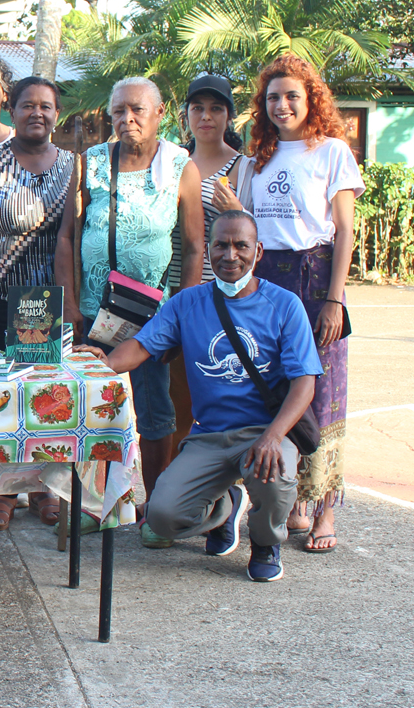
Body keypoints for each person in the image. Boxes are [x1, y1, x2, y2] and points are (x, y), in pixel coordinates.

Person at [83, 210, 322, 582]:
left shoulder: (285, 304)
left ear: (258, 251)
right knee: (162, 516)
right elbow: (143, 345)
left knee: (274, 479)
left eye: (241, 246)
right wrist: (107, 362)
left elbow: (304, 383)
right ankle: (224, 509)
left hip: (264, 431)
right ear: (209, 251)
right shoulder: (187, 302)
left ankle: (265, 543)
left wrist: (274, 437)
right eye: (221, 245)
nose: (230, 255)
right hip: (209, 435)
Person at [60, 76, 190, 549]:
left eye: (136, 109)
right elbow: (67, 236)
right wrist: (69, 302)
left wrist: (184, 315)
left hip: (154, 319)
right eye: (118, 111)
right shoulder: (90, 162)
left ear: (159, 114)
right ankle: (97, 507)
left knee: (155, 413)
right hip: (96, 314)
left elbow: (194, 247)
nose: (126, 118)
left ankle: (155, 509)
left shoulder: (180, 166)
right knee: (94, 410)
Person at [241, 55, 363, 553]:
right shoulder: (257, 158)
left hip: (315, 279)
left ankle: (325, 507)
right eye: (273, 97)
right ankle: (293, 499)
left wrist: (334, 299)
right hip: (268, 280)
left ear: (311, 99)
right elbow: (248, 225)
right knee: (276, 387)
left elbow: (345, 231)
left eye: (292, 95)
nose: (282, 105)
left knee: (323, 389)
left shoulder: (332, 151)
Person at [0, 76, 76, 532]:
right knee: (1, 400)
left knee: (47, 400)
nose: (36, 113)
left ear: (56, 114)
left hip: (50, 304)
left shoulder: (73, 166)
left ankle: (44, 488)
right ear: (13, 109)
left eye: (46, 106)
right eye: (28, 105)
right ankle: (4, 490)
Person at [166, 74, 246, 455]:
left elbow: (256, 239)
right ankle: (173, 478)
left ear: (229, 116)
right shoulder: (171, 163)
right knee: (176, 397)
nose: (206, 116)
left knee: (222, 392)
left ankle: (223, 480)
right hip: (173, 292)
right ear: (186, 114)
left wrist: (238, 211)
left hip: (222, 298)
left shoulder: (243, 168)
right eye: (197, 108)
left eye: (216, 108)